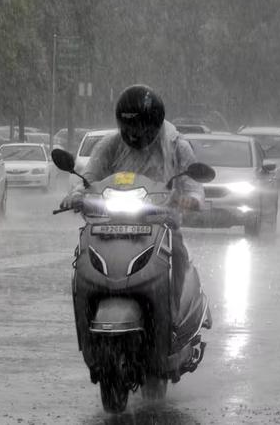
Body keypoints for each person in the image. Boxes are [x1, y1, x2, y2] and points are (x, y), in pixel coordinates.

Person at [60, 84, 210, 328]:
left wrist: (191, 198)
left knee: (179, 255)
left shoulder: (175, 145)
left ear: (154, 123)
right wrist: (76, 195)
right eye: (127, 126)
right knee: (82, 259)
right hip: (110, 224)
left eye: (139, 126)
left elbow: (193, 184)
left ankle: (171, 318)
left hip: (160, 223)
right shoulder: (110, 144)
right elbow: (89, 177)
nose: (133, 133)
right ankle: (86, 321)